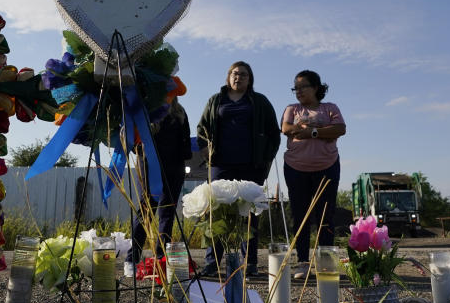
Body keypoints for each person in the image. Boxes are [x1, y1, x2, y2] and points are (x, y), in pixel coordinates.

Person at [196, 61, 281, 277]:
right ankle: (213, 262)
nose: (238, 77)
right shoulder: (216, 101)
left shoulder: (259, 102)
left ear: (249, 79)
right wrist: (205, 148)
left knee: (250, 214)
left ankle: (249, 262)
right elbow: (201, 128)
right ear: (228, 77)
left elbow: (273, 133)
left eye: (243, 74)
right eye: (235, 74)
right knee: (216, 212)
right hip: (221, 165)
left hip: (251, 166)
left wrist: (265, 158)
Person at [281, 70, 346, 279]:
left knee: (325, 215)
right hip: (295, 168)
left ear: (316, 88)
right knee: (300, 216)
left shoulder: (330, 108)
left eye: (303, 87)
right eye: (295, 88)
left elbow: (340, 129)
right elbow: (286, 128)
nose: (298, 91)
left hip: (327, 167)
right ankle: (302, 261)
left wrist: (311, 132)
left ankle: (325, 262)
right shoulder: (292, 108)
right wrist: (311, 130)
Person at [126, 97, 192, 269]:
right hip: (149, 166)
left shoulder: (180, 111)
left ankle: (161, 259)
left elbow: (185, 141)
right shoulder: (145, 109)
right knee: (145, 210)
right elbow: (134, 142)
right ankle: (132, 258)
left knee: (167, 213)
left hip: (174, 167)